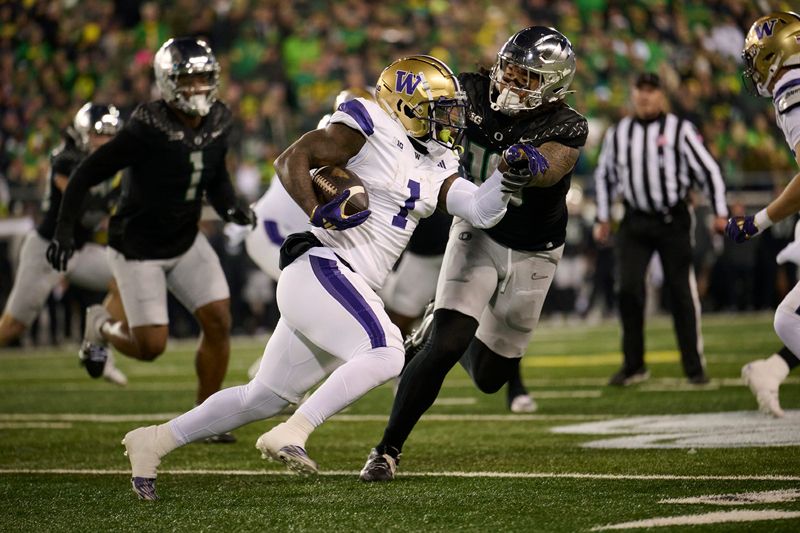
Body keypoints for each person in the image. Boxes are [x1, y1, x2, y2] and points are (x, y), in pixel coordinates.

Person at [120, 54, 533, 500]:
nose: (451, 120)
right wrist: (316, 209)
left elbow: (479, 209)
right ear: (408, 105)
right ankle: (294, 431)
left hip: (344, 283)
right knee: (388, 352)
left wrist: (507, 179)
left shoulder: (438, 161)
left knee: (265, 396)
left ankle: (153, 440)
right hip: (321, 264)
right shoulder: (372, 122)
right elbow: (292, 158)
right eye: (440, 110)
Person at [360, 26, 588, 482]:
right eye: (508, 69)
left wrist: (531, 163)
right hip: (479, 231)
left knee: (490, 377)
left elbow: (553, 165)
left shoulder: (568, 124)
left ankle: (438, 326)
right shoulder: (470, 91)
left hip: (536, 251)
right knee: (447, 342)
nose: (511, 82)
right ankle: (386, 450)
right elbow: (420, 102)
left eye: (526, 77)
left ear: (553, 85)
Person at [45, 38, 255, 429]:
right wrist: (63, 230)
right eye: (188, 80)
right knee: (150, 347)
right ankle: (102, 326)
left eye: (204, 78)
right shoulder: (148, 126)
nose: (197, 88)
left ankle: (205, 418)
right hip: (138, 247)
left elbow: (215, 176)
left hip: (185, 238)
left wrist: (232, 207)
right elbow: (85, 174)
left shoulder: (220, 119)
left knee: (218, 319)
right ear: (167, 81)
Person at [593, 71, 728, 387]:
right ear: (633, 93)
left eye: (651, 90)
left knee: (681, 292)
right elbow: (605, 176)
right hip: (635, 220)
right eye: (640, 89)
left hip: (672, 220)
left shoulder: (680, 130)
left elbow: (708, 169)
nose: (645, 96)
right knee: (627, 290)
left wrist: (720, 211)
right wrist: (602, 217)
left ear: (661, 95)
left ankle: (694, 367)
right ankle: (634, 364)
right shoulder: (619, 132)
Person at [0, 102, 127, 386]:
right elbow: (80, 195)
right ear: (83, 134)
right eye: (99, 134)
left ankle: (97, 348)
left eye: (111, 134)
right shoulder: (66, 159)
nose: (106, 141)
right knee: (12, 328)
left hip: (81, 251)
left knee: (127, 279)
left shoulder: (117, 165)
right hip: (49, 249)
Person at [726, 11, 800, 418]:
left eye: (758, 55)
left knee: (790, 319)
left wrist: (758, 221)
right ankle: (772, 369)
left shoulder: (791, 84)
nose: (753, 65)